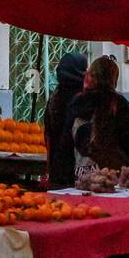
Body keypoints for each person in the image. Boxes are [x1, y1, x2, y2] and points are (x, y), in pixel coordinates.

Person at [70, 56, 129, 173]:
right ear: (113, 79)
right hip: (110, 175)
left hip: (80, 175)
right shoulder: (118, 103)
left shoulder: (77, 101)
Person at [44, 51, 88, 188]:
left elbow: (48, 133)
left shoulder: (55, 96)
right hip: (79, 170)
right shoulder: (83, 97)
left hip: (56, 166)